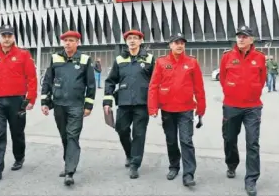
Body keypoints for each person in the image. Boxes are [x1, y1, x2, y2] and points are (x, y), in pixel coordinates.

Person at [0, 25, 38, 185]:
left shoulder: (24, 55)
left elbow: (32, 78)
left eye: (10, 35)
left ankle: (19, 157)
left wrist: (31, 99)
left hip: (17, 101)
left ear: (14, 37)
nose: (7, 38)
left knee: (17, 133)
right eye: (4, 35)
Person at [148, 33, 206, 187]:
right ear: (170, 45)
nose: (179, 45)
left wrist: (201, 109)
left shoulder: (192, 62)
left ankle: (189, 174)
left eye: (182, 43)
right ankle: (174, 166)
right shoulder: (161, 62)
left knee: (186, 141)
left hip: (186, 109)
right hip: (167, 109)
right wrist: (153, 107)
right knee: (171, 140)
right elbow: (153, 86)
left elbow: (199, 88)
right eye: (176, 42)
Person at [40, 30, 96, 186]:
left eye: (71, 40)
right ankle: (69, 163)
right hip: (58, 104)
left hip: (76, 105)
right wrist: (45, 102)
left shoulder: (85, 59)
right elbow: (47, 81)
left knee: (72, 136)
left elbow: (91, 85)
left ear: (77, 43)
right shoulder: (55, 58)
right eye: (65, 40)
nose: (67, 43)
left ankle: (69, 171)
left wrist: (88, 105)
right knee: (65, 136)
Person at [218, 26, 266, 196]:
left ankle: (251, 179)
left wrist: (252, 92)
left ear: (251, 39)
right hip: (231, 106)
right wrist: (231, 91)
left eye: (245, 36)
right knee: (229, 138)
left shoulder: (259, 57)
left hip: (252, 107)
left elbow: (262, 79)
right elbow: (223, 78)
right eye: (239, 36)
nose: (241, 39)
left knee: (252, 142)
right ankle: (232, 164)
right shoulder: (227, 57)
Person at [103, 30, 155, 179]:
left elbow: (156, 81)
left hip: (142, 103)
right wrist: (107, 101)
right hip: (124, 102)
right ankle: (130, 153)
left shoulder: (150, 59)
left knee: (139, 134)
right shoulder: (119, 59)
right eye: (129, 38)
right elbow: (110, 81)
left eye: (135, 38)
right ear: (126, 42)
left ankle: (134, 164)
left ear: (140, 41)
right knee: (121, 128)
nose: (132, 41)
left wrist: (156, 103)